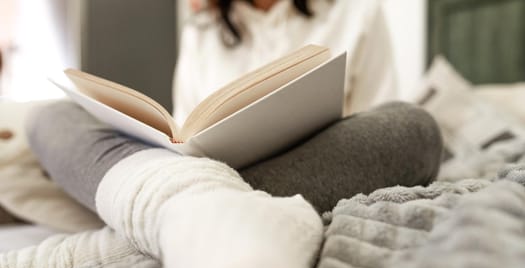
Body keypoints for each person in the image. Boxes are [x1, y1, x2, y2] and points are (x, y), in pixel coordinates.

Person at [26, 0, 442, 214]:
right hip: (203, 177)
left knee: (412, 128)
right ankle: (181, 209)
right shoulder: (203, 29)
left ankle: (167, 214)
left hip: (317, 166)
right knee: (48, 117)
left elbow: (372, 129)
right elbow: (186, 138)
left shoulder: (355, 11)